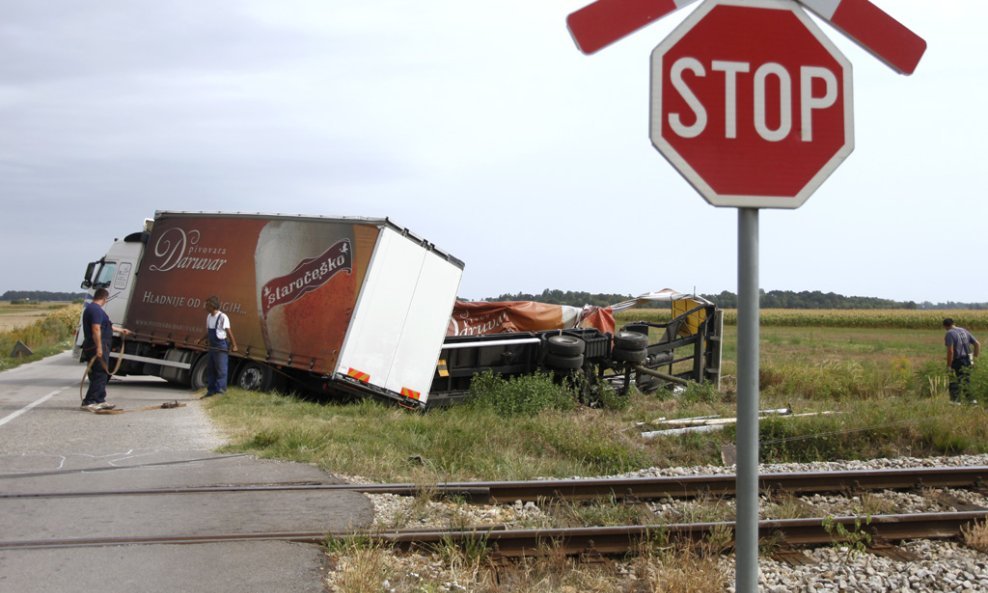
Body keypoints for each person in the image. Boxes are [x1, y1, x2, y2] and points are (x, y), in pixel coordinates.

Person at [81, 288, 131, 412]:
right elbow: (96, 329)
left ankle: (100, 400)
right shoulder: (96, 310)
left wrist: (121, 330)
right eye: (106, 300)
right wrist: (99, 347)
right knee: (100, 374)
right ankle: (90, 401)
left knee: (101, 374)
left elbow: (105, 326)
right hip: (97, 346)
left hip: (97, 345)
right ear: (104, 299)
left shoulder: (92, 309)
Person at [199, 296, 238, 397]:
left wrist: (234, 345)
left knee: (221, 370)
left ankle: (220, 391)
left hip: (221, 347)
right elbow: (208, 332)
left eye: (207, 305)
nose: (205, 307)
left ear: (212, 306)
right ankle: (211, 391)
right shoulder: (209, 317)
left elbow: (229, 332)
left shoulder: (222, 317)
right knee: (211, 369)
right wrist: (200, 340)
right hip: (212, 347)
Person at [944, 318, 980, 403]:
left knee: (954, 381)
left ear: (945, 326)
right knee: (966, 380)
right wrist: (974, 358)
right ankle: (972, 401)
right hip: (968, 359)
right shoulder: (963, 330)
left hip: (958, 361)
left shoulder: (949, 333)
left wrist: (949, 366)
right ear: (953, 323)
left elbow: (950, 351)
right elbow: (977, 344)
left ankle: (955, 402)